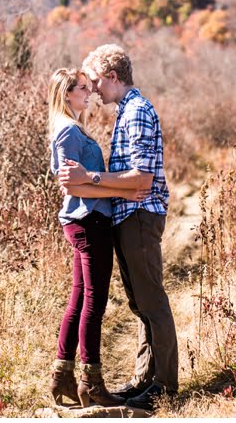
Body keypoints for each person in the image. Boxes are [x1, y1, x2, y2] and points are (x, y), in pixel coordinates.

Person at [59, 44, 176, 412]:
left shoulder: (138, 111)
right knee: (140, 303)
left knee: (152, 301)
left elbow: (140, 179)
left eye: (94, 81)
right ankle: (144, 378)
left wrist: (89, 178)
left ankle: (165, 386)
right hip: (128, 216)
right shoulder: (126, 111)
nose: (92, 89)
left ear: (112, 76)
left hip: (141, 215)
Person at [45, 68, 150, 408]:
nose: (89, 94)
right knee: (94, 302)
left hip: (86, 219)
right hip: (89, 222)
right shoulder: (68, 134)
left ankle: (62, 377)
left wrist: (114, 189)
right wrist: (120, 188)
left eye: (89, 88)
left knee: (79, 301)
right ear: (66, 94)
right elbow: (72, 185)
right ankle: (91, 383)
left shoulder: (73, 128)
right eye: (81, 89)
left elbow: (82, 182)